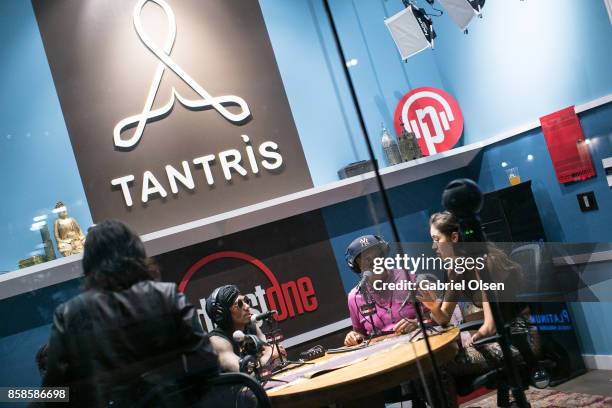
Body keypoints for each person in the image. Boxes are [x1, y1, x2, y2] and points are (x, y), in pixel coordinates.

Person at [42, 220, 218, 407]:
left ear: (89, 262)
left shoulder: (69, 314)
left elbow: (54, 395)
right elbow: (206, 363)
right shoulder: (167, 296)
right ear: (136, 251)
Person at [418, 211, 530, 406]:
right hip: (496, 336)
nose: (434, 246)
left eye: (437, 239)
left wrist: (472, 339)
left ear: (454, 237)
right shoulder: (456, 268)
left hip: (514, 337)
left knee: (438, 365)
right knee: (431, 364)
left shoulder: (485, 265)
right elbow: (443, 317)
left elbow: (489, 327)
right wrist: (433, 306)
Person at [344, 235, 419, 347]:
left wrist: (417, 323)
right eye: (367, 259)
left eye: (377, 256)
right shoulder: (354, 297)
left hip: (416, 345)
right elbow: (360, 334)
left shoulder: (409, 278)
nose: (374, 262)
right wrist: (354, 337)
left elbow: (433, 315)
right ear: (358, 266)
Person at [206, 285, 286, 373]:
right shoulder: (217, 340)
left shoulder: (251, 327)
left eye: (246, 301)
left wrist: (272, 354)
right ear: (223, 314)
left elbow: (271, 351)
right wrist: (269, 357)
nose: (247, 306)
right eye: (239, 304)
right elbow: (244, 371)